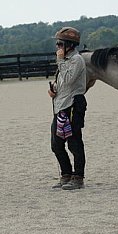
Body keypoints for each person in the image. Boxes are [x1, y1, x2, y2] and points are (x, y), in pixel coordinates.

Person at [48, 27, 87, 190]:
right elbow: (63, 82)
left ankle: (78, 178)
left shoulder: (76, 60)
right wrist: (54, 89)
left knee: (74, 143)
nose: (57, 47)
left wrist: (60, 61)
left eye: (60, 44)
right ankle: (66, 174)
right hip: (60, 105)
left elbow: (70, 80)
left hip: (72, 105)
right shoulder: (64, 61)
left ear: (70, 45)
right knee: (56, 144)